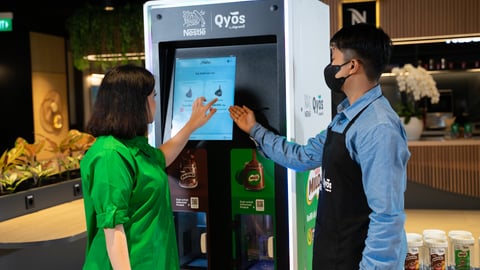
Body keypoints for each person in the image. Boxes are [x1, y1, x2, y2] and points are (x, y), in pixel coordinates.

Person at [229, 23, 410, 269]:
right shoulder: (346, 116)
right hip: (333, 251)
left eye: (333, 58)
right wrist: (254, 130)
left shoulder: (379, 128)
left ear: (352, 66)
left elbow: (387, 217)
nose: (329, 66)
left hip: (357, 259)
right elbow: (302, 157)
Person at [80, 64, 217, 270]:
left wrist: (191, 125)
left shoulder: (132, 145)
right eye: (152, 96)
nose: (155, 103)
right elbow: (113, 229)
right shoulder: (110, 154)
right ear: (134, 103)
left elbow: (161, 157)